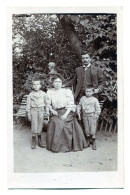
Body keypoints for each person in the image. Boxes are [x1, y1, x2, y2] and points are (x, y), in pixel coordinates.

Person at [46, 75, 87, 153]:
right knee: (55, 121)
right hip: (56, 112)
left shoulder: (67, 91)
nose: (57, 84)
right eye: (56, 82)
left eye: (59, 82)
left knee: (63, 122)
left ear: (62, 83)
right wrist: (52, 110)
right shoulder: (50, 92)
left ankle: (67, 146)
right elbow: (48, 104)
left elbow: (71, 104)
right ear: (53, 83)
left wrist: (65, 114)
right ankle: (56, 146)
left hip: (67, 111)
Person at [26, 77, 46, 149]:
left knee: (40, 124)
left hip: (41, 110)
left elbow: (46, 103)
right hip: (33, 110)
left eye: (38, 84)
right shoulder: (30, 94)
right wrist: (28, 113)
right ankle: (33, 139)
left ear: (40, 85)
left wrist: (46, 111)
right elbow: (28, 105)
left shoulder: (43, 94)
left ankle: (39, 139)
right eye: (34, 84)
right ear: (32, 86)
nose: (36, 86)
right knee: (34, 124)